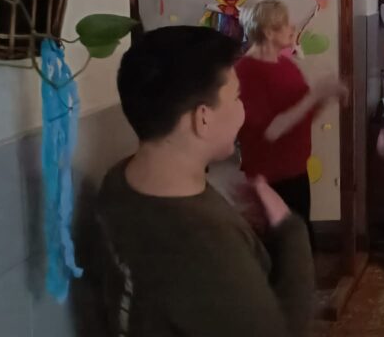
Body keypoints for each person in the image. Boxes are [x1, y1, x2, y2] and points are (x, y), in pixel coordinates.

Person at [96, 26, 314, 337]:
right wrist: (290, 230)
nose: (242, 107)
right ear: (203, 118)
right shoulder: (208, 244)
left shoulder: (118, 182)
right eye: (236, 97)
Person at [235, 0, 347, 242]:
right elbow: (271, 130)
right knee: (285, 250)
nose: (293, 27)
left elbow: (302, 115)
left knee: (302, 244)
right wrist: (315, 95)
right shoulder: (246, 72)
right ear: (268, 32)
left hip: (296, 173)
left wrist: (327, 95)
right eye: (286, 23)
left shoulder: (286, 64)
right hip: (270, 181)